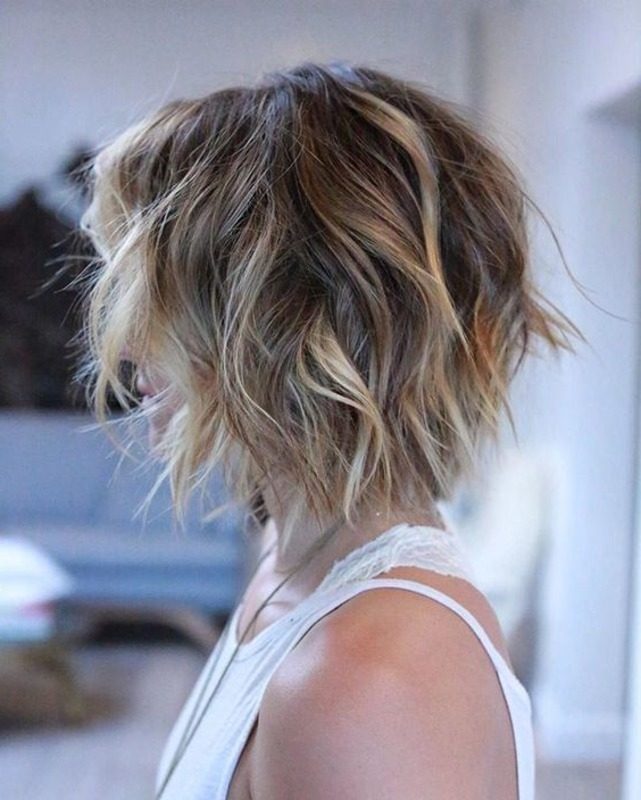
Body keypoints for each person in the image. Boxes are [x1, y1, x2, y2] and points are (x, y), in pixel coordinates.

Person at [77, 60, 583, 800]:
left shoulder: (371, 682)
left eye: (162, 303)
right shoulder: (293, 560)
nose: (126, 348)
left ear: (276, 329)